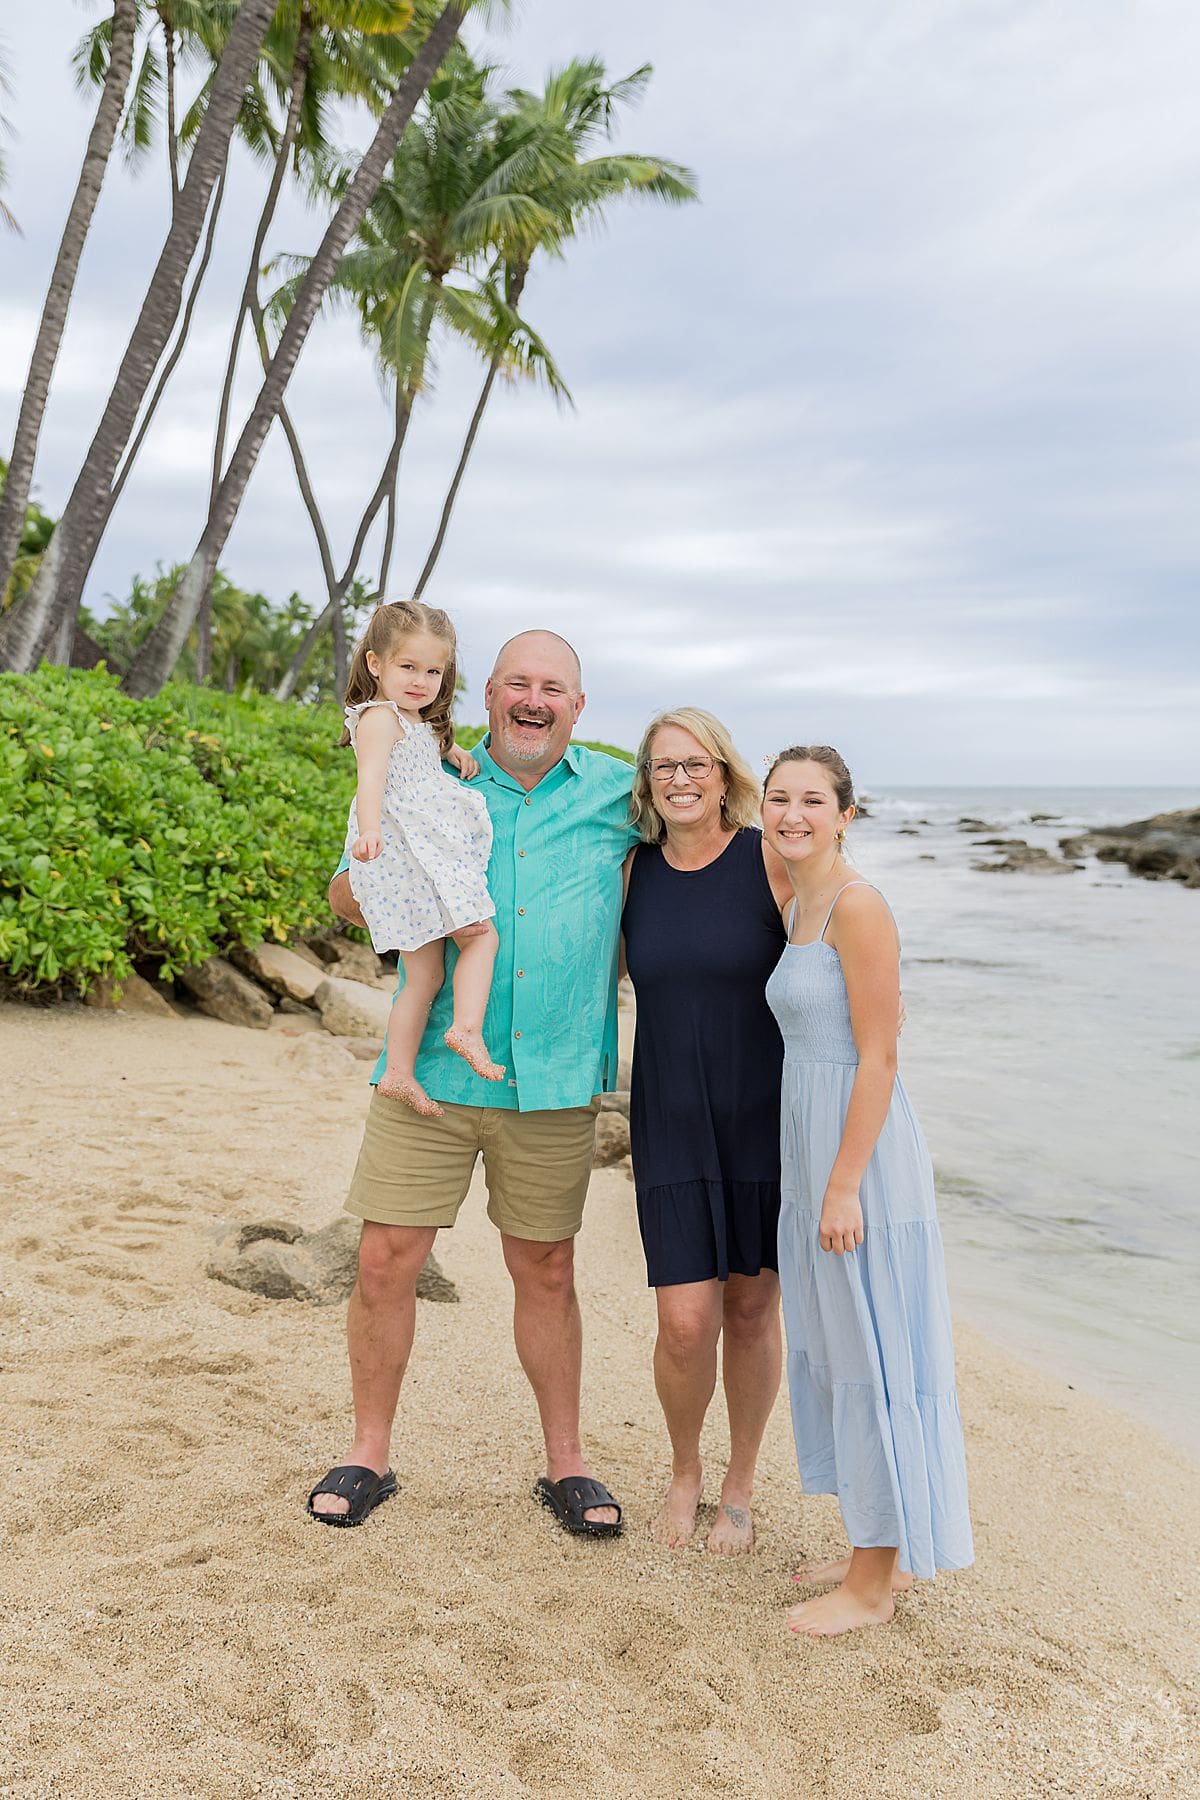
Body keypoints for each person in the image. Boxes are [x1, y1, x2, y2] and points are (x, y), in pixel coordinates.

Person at [308, 628, 640, 1535]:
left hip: (557, 1077)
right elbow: (345, 892)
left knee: (548, 1268)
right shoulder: (434, 772)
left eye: (555, 688)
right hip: (434, 1079)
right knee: (384, 1261)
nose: (535, 701)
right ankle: (368, 1452)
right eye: (518, 684)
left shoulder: (621, 793)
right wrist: (377, 868)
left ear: (579, 706)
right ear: (487, 693)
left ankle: (565, 1463)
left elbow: (713, 845)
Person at [761, 745, 973, 1637]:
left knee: (874, 1349)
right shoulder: (798, 900)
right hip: (811, 1145)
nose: (793, 814)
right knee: (842, 1345)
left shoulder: (860, 907)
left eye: (814, 800)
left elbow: (882, 1058)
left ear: (848, 812)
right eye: (779, 799)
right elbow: (718, 816)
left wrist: (843, 1185)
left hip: (861, 1157)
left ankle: (874, 1586)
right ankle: (877, 1547)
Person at [621, 708, 794, 1554]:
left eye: (696, 765)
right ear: (647, 783)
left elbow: (845, 943)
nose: (680, 780)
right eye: (664, 768)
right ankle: (685, 1469)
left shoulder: (771, 859)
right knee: (684, 1321)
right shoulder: (633, 871)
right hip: (671, 1118)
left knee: (753, 1308)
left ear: (724, 774)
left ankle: (740, 1483)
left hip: (765, 1119)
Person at [341, 601, 503, 1118]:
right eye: (408, 667)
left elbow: (419, 752)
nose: (420, 681)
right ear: (375, 664)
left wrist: (452, 753)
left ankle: (397, 1072)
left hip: (417, 851)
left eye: (433, 671)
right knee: (481, 933)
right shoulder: (378, 718)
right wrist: (367, 832)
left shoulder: (413, 724)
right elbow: (370, 779)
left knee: (424, 976)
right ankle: (466, 1029)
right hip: (406, 853)